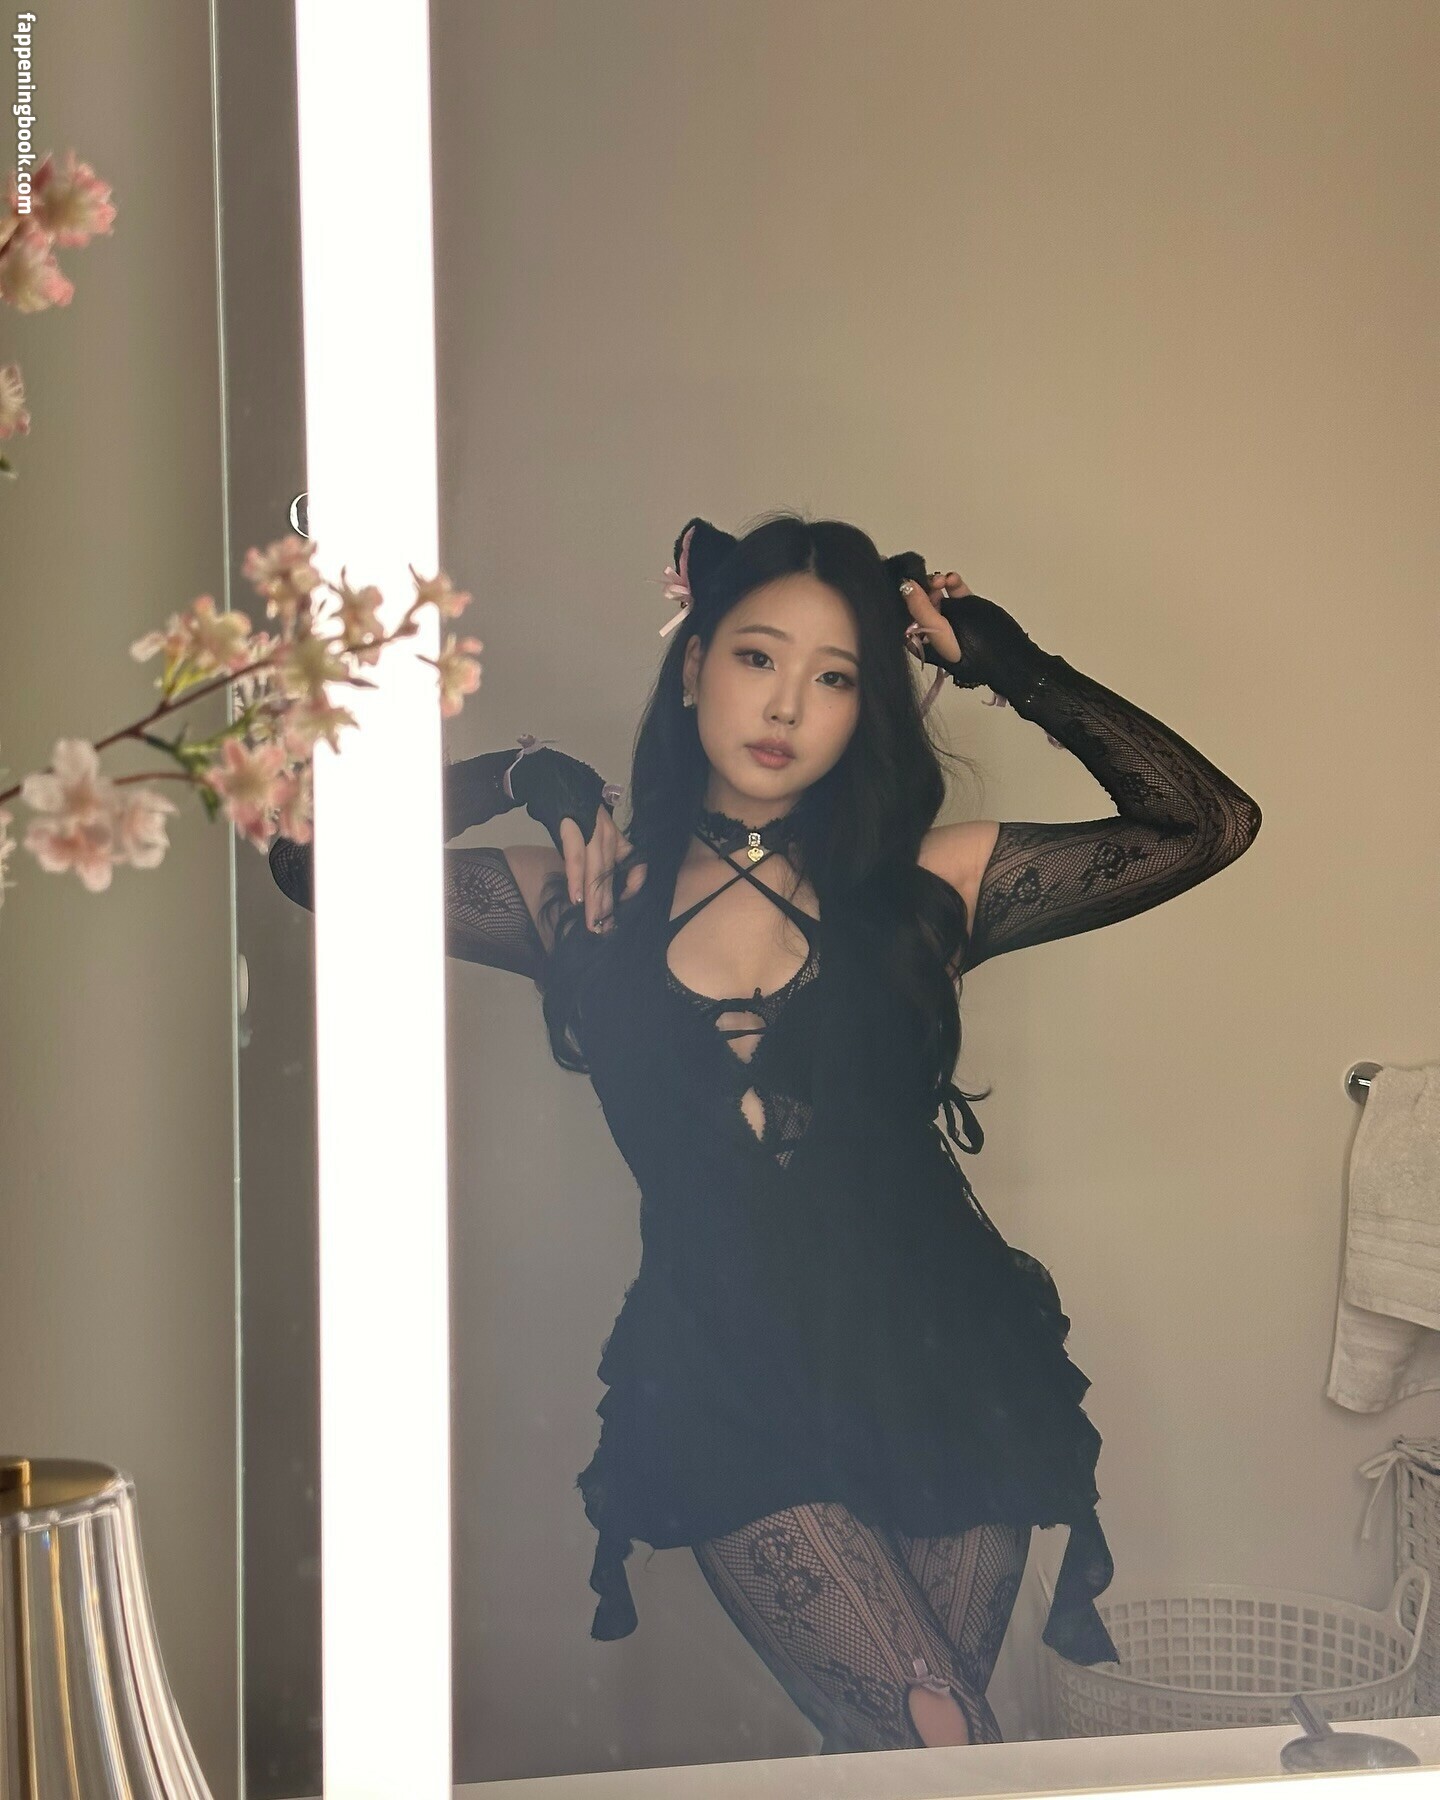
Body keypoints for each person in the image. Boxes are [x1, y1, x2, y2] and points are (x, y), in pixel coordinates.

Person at [269, 512, 1262, 1753]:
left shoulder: (929, 887)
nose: (787, 703)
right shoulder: (580, 896)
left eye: (836, 677)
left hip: (945, 1359)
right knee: (935, 1735)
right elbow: (307, 854)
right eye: (756, 657)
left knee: (917, 1757)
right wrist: (515, 775)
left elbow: (1206, 823)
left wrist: (1007, 665)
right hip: (722, 1370)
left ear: (865, 712)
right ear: (694, 666)